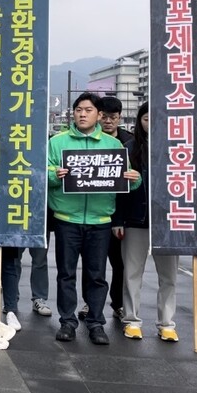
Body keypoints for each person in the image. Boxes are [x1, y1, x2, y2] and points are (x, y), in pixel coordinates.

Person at [49, 93, 140, 345]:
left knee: (97, 275)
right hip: (67, 218)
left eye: (88, 110)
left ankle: (96, 323)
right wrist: (55, 175)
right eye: (78, 109)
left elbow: (128, 182)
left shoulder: (113, 147)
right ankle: (67, 321)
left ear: (98, 115)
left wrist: (135, 180)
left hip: (100, 221)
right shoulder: (57, 142)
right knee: (66, 274)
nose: (82, 114)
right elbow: (44, 175)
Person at [112, 102, 179, 342]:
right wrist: (117, 220)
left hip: (169, 223)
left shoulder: (179, 149)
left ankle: (167, 323)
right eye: (147, 118)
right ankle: (131, 320)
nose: (152, 124)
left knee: (169, 276)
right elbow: (118, 189)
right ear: (140, 121)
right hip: (134, 220)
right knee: (132, 273)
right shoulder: (129, 149)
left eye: (157, 119)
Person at [77, 96, 133, 322]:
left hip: (119, 215)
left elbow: (132, 183)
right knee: (92, 266)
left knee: (119, 264)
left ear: (119, 118)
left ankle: (118, 303)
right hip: (92, 215)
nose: (109, 121)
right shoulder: (88, 139)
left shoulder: (128, 142)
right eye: (105, 117)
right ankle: (89, 304)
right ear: (99, 116)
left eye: (114, 117)